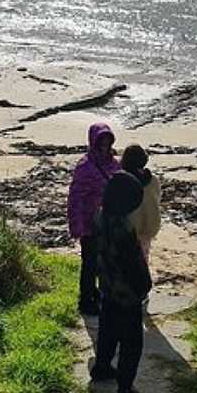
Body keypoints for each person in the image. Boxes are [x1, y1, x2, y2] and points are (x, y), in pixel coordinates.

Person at [89, 170, 152, 393]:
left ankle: (102, 367)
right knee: (131, 344)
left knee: (107, 332)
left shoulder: (99, 217)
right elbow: (133, 266)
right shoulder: (123, 228)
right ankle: (125, 389)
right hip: (127, 296)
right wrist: (144, 286)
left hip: (106, 287)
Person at [67, 122, 121, 316]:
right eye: (101, 141)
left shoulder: (115, 163)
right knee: (89, 263)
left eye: (108, 140)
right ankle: (85, 300)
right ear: (93, 141)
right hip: (89, 223)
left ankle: (97, 292)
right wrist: (76, 225)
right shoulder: (85, 166)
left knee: (105, 261)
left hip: (109, 222)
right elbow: (75, 197)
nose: (105, 145)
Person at [121, 144, 162, 263]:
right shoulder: (153, 180)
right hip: (150, 224)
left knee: (127, 261)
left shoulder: (124, 179)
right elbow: (157, 198)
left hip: (130, 226)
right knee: (143, 257)